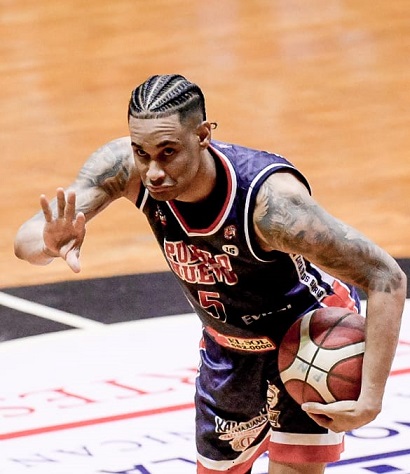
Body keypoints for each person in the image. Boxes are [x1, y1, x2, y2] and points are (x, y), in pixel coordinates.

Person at [14, 74, 406, 474]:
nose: (153, 171)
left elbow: (386, 277)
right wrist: (47, 244)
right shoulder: (125, 167)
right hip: (229, 347)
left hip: (306, 335)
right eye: (141, 152)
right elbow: (24, 243)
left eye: (168, 152)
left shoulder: (273, 205)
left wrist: (371, 397)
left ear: (203, 135)